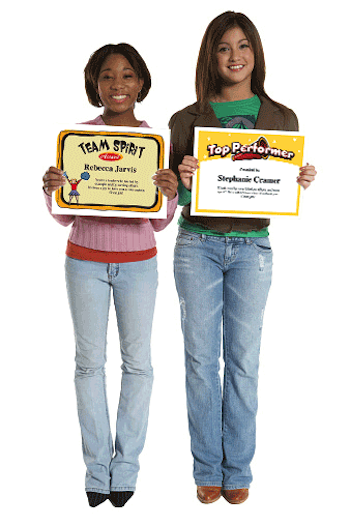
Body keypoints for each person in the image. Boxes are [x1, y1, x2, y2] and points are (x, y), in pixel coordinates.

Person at [169, 12, 316, 505]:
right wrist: (182, 178)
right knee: (199, 361)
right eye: (224, 47)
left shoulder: (282, 118)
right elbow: (172, 197)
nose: (235, 56)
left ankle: (240, 471)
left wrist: (297, 182)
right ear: (211, 56)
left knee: (244, 362)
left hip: (252, 247)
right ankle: (208, 467)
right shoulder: (186, 120)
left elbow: (275, 190)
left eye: (243, 45)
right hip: (198, 246)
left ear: (256, 53)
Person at [43, 43, 178, 508]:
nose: (117, 84)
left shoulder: (155, 141)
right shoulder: (76, 137)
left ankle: (127, 467)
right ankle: (96, 468)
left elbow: (159, 222)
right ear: (94, 84)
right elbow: (64, 216)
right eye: (107, 76)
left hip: (140, 263)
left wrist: (170, 193)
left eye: (126, 75)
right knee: (88, 365)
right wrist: (54, 189)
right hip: (83, 260)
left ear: (140, 82)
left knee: (138, 365)